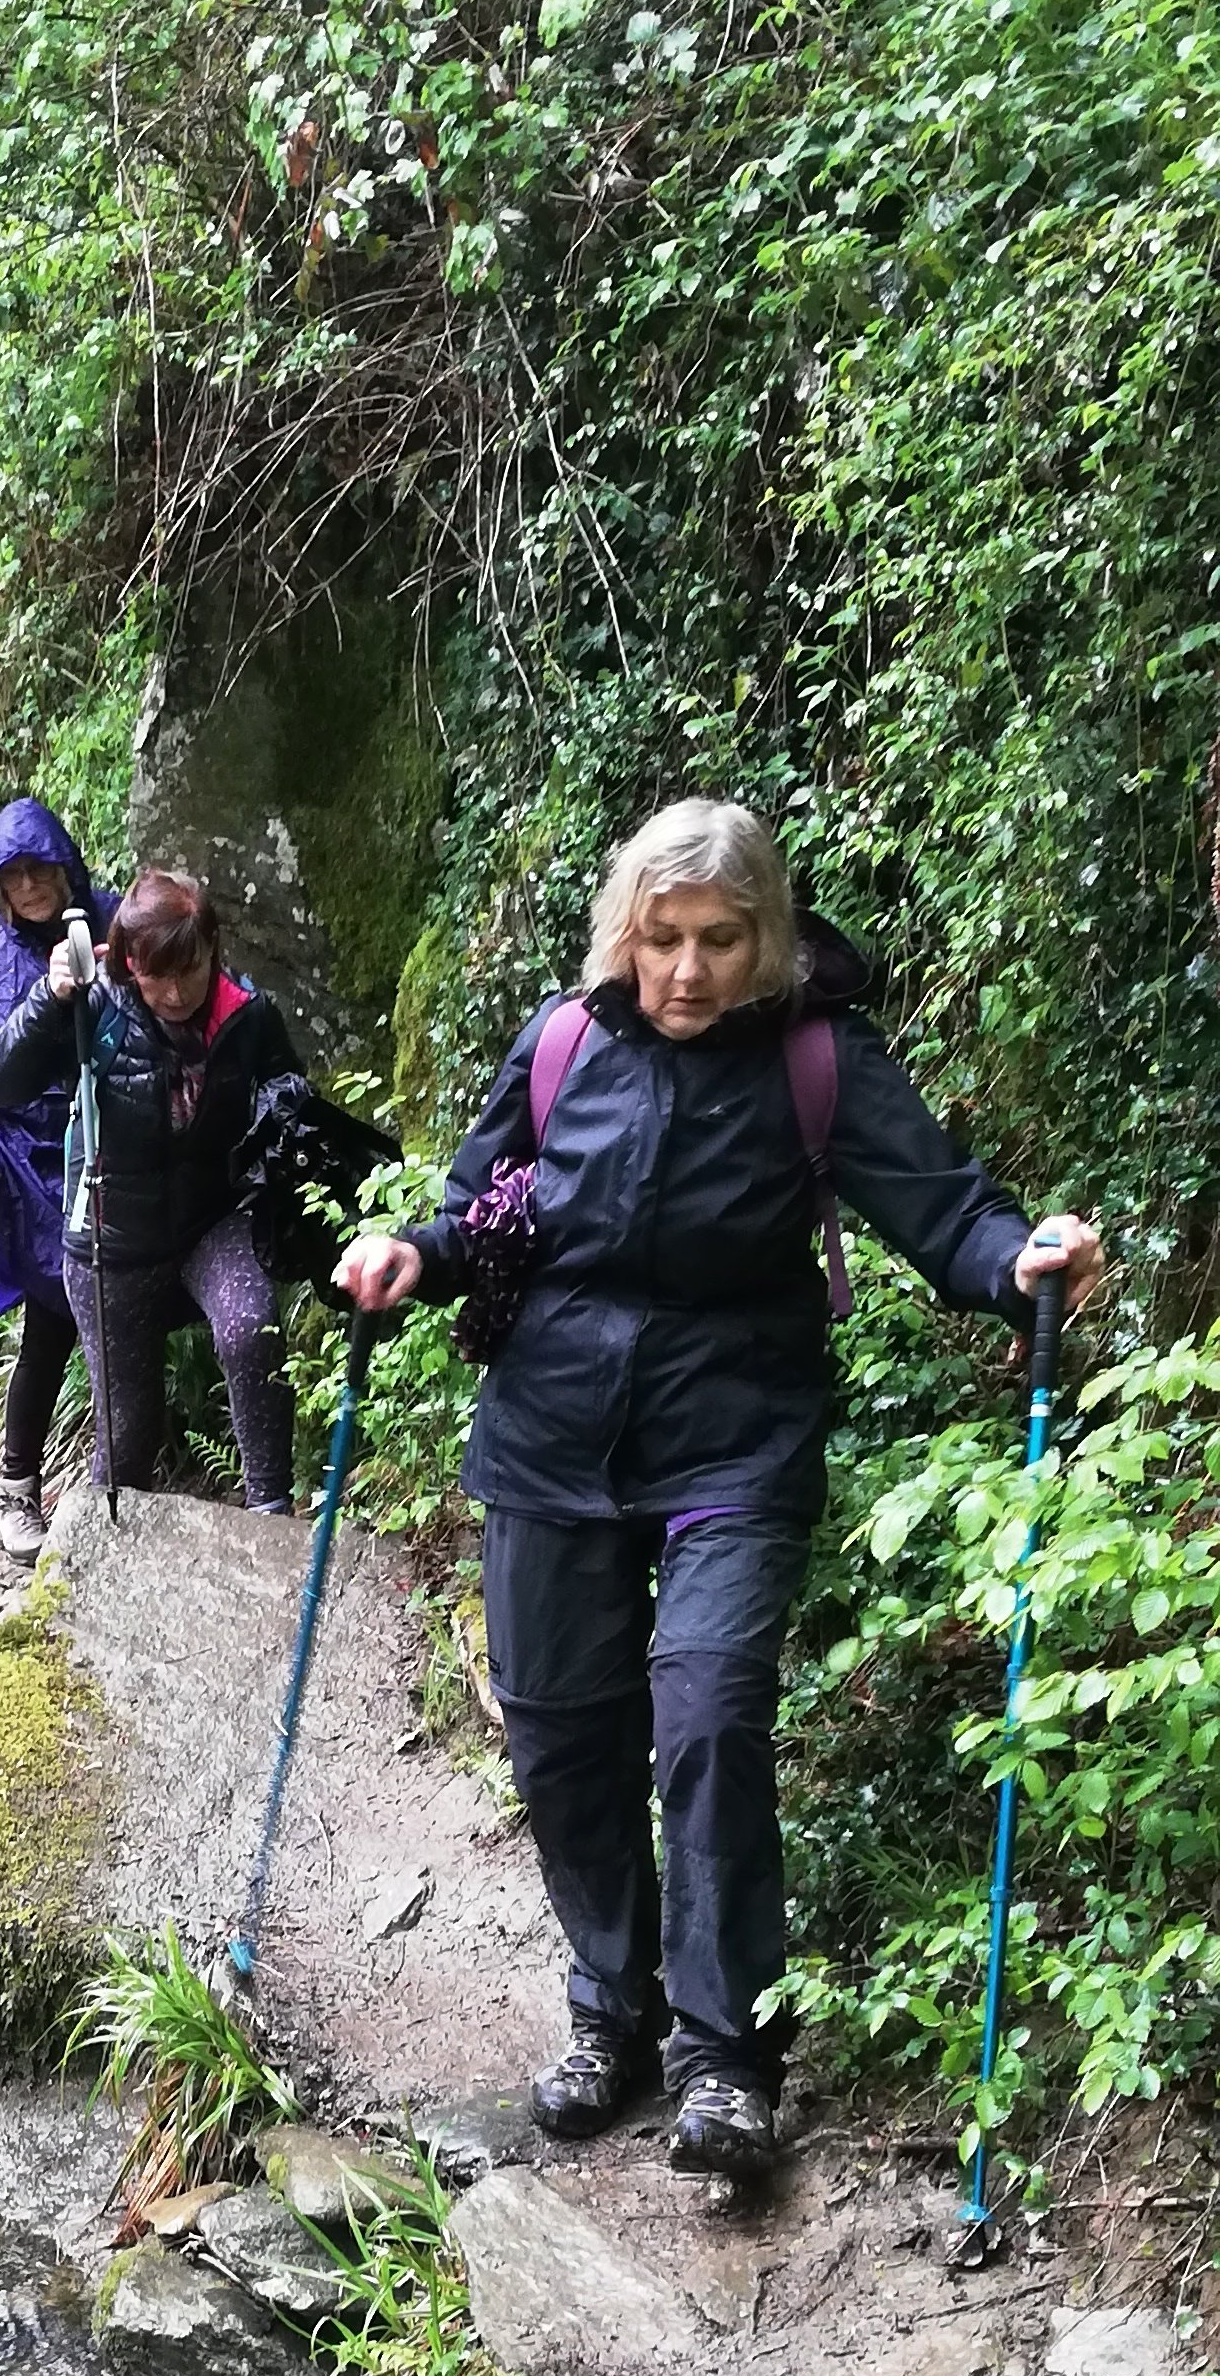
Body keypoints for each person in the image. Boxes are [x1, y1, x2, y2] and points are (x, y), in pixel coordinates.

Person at [335, 799, 1103, 2193]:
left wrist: (1020, 1259)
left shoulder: (818, 1061)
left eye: (720, 941)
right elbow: (475, 1209)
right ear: (624, 932)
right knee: (562, 1736)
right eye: (662, 938)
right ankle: (610, 2009)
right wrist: (409, 1254)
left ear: (768, 942)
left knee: (706, 1711)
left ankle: (728, 2055)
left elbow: (946, 1212)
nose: (686, 971)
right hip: (552, 1432)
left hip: (735, 1437)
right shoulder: (563, 1044)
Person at [0, 864, 300, 1511]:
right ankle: (85, 1582)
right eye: (158, 975)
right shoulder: (94, 1006)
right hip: (110, 1243)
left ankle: (273, 1516)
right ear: (127, 962)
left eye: (191, 968)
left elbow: (287, 1084)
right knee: (128, 1437)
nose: (177, 991)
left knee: (249, 1329)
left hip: (211, 1221)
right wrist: (49, 999)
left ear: (213, 950)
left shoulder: (247, 1015)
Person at [0, 796, 119, 1556]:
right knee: (54, 1320)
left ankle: (127, 1478)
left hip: (124, 1146)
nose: (33, 887)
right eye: (15, 877)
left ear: (65, 865)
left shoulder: (118, 924)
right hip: (38, 1162)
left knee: (124, 1315)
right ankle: (18, 1486)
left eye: (42, 869)